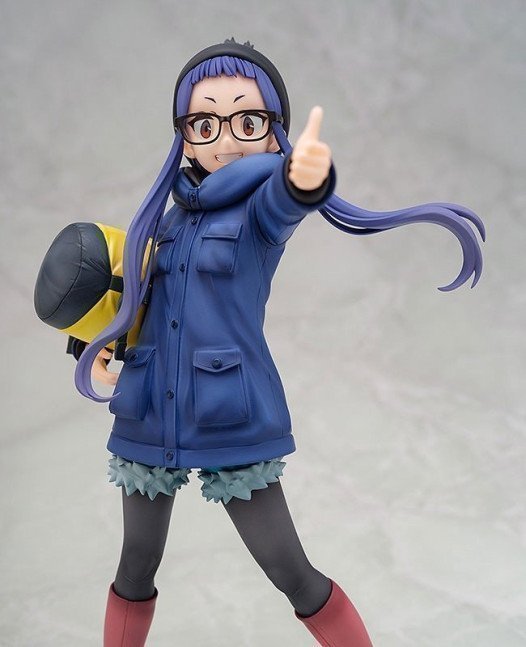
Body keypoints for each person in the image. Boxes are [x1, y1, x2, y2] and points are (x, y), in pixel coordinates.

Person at [70, 38, 484, 646]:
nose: (225, 138)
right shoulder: (169, 219)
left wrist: (307, 177)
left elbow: (289, 199)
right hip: (149, 408)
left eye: (248, 121)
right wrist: (99, 350)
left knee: (289, 569)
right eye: (205, 122)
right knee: (135, 565)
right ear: (185, 135)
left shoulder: (258, 213)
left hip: (229, 412)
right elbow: (139, 306)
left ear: (273, 133)